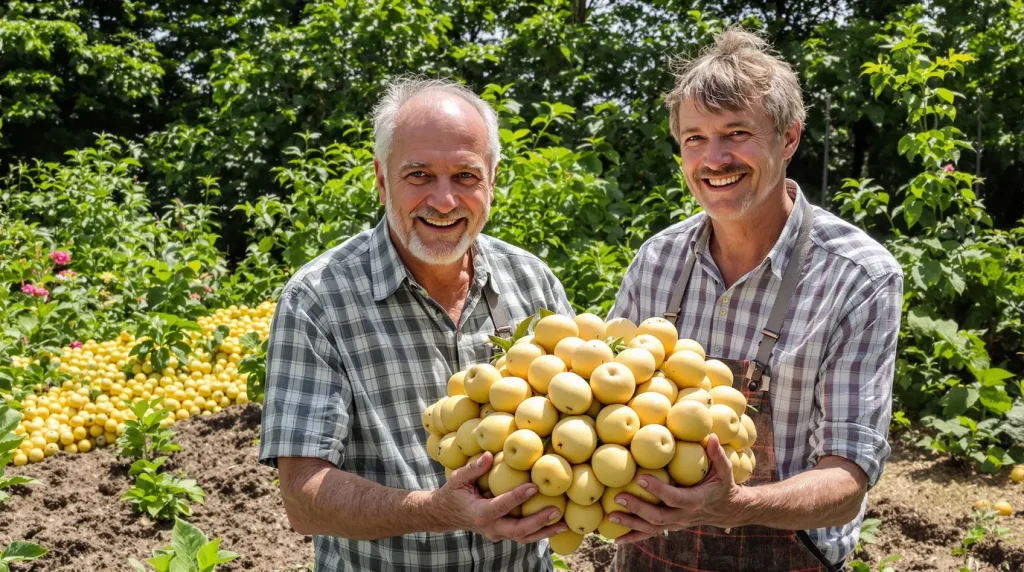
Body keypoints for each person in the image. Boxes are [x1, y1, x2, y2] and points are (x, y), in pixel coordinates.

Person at [607, 29, 903, 571]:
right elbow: (601, 410)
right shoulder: (658, 261)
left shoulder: (857, 277)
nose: (713, 159)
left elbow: (848, 477)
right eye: (694, 138)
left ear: (788, 139)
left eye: (736, 133)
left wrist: (737, 506)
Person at [258, 77, 574, 572]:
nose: (444, 201)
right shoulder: (319, 299)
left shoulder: (533, 284)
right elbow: (304, 496)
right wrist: (436, 511)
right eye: (419, 175)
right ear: (382, 181)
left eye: (466, 177)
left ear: (492, 179)